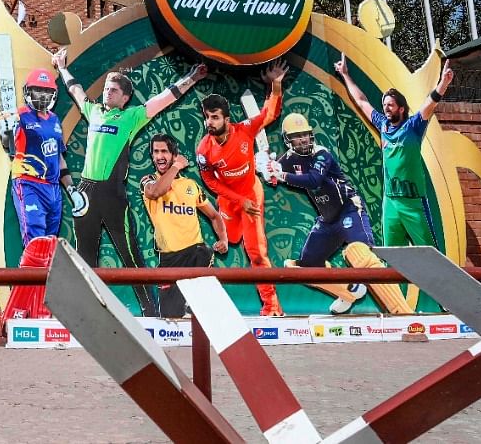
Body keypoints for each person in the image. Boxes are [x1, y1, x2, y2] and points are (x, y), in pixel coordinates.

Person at [52, 48, 207, 317]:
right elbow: (77, 91)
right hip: (87, 191)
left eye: (113, 90)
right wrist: (61, 67)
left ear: (125, 98)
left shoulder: (131, 117)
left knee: (130, 255)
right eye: (107, 89)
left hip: (113, 195)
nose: (107, 92)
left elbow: (164, 98)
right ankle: (86, 312)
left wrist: (193, 77)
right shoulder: (94, 112)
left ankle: (149, 310)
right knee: (85, 253)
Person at [266, 113, 413, 315]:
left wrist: (280, 175)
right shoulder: (290, 158)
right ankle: (347, 293)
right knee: (305, 267)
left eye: (305, 135)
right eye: (297, 136)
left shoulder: (322, 154)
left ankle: (405, 314)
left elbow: (314, 180)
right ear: (288, 141)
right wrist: (266, 169)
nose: (303, 140)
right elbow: (273, 175)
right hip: (327, 220)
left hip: (349, 209)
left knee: (361, 255)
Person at [195, 61, 287, 317]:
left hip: (251, 195)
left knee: (256, 253)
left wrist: (276, 85)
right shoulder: (204, 149)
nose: (209, 122)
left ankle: (272, 306)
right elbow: (210, 182)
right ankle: (230, 235)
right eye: (207, 117)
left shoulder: (244, 130)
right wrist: (235, 199)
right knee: (232, 239)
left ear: (226, 118)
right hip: (230, 199)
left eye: (214, 117)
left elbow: (270, 114)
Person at [336, 54, 454, 248]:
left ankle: (436, 280)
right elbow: (361, 101)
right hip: (390, 202)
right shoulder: (383, 125)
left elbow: (429, 103)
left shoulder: (413, 126)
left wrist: (443, 83)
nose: (386, 109)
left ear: (401, 108)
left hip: (413, 203)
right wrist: (345, 74)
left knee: (430, 255)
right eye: (384, 105)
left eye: (390, 105)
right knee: (393, 255)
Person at [0, 68, 74, 319]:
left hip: (53, 188)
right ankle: (24, 307)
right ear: (27, 92)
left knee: (49, 248)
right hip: (28, 183)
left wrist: (71, 188)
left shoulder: (54, 120)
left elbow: (60, 157)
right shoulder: (19, 115)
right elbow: (6, 142)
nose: (41, 96)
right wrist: (5, 130)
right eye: (37, 90)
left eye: (46, 91)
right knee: (34, 241)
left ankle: (44, 306)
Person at [140, 134, 227, 318]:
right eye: (156, 152)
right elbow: (157, 192)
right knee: (170, 317)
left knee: (203, 252)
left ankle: (201, 304)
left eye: (164, 151)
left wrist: (223, 239)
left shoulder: (191, 185)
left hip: (194, 252)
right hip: (169, 258)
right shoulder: (148, 181)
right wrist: (177, 166)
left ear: (173, 154)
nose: (159, 156)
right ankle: (187, 305)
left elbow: (214, 215)